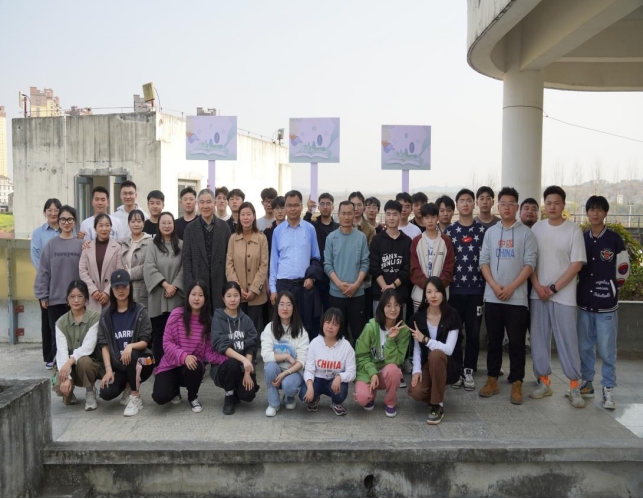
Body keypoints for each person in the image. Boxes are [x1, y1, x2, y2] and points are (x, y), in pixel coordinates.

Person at [529, 185, 587, 408]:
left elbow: (576, 265)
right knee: (539, 338)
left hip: (564, 296)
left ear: (563, 205)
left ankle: (574, 386)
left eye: (556, 203)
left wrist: (553, 288)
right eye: (548, 203)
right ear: (544, 205)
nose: (552, 207)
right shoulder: (537, 228)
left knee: (567, 339)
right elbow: (530, 261)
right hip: (538, 294)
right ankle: (543, 382)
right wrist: (537, 286)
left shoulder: (573, 230)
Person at [479, 187, 537, 405]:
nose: (506, 208)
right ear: (498, 206)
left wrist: (512, 287)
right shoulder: (491, 233)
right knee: (493, 341)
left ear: (516, 207)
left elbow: (530, 264)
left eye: (510, 204)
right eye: (503, 204)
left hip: (517, 298)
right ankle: (492, 379)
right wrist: (494, 286)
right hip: (493, 296)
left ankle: (517, 381)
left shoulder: (526, 234)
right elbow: (483, 261)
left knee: (516, 342)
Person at [577, 195, 629, 410]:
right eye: (592, 209)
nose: (595, 213)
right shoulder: (581, 238)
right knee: (585, 347)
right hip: (584, 303)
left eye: (599, 210)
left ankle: (608, 389)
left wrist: (611, 288)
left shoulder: (614, 239)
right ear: (587, 212)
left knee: (607, 350)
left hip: (606, 305)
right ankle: (587, 383)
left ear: (605, 213)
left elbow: (623, 269)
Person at [152, 281, 227, 413]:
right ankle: (174, 389)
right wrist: (184, 356)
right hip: (170, 364)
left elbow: (209, 352)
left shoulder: (208, 321)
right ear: (188, 296)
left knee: (196, 365)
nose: (196, 298)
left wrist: (230, 359)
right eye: (193, 294)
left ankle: (193, 397)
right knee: (160, 397)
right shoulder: (176, 314)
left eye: (200, 295)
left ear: (205, 299)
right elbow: (167, 343)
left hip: (192, 367)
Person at [443, 189, 486, 391]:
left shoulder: (483, 231)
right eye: (462, 201)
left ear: (474, 204)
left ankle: (469, 369)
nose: (466, 204)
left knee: (473, 333)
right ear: (457, 205)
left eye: (469, 200)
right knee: (454, 332)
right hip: (454, 291)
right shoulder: (450, 232)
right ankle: (455, 370)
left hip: (476, 290)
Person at [98, 270, 154, 417]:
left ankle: (135, 396)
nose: (121, 290)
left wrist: (130, 346)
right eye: (117, 287)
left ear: (130, 286)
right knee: (106, 392)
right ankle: (127, 385)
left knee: (133, 353)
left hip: (143, 362)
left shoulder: (140, 311)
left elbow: (145, 341)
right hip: (120, 366)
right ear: (112, 289)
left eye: (124, 286)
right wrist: (108, 370)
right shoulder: (105, 316)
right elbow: (104, 345)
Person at [408, 277, 463, 425]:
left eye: (437, 291)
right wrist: (416, 371)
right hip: (427, 363)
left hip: (448, 364)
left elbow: (449, 350)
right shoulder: (418, 317)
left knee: (436, 354)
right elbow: (417, 349)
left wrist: (425, 339)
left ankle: (437, 405)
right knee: (416, 392)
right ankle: (435, 392)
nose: (433, 295)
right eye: (429, 292)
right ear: (424, 295)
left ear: (443, 294)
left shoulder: (452, 315)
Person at [34, 204, 83, 369]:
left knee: (77, 337)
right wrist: (43, 295)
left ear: (74, 221)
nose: (66, 222)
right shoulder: (50, 245)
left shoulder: (81, 245)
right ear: (59, 221)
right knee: (58, 338)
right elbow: (43, 271)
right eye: (63, 219)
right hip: (55, 300)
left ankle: (76, 371)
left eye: (69, 219)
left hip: (77, 301)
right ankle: (59, 373)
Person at [269, 190, 322, 334]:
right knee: (284, 327)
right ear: (285, 207)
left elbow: (316, 257)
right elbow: (274, 262)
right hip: (283, 285)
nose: (293, 209)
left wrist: (312, 278)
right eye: (289, 205)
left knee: (305, 327)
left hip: (304, 285)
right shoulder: (277, 231)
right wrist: (273, 289)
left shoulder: (310, 229)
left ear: (301, 206)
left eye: (296, 205)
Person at [354, 289, 410, 417]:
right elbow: (361, 356)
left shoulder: (403, 330)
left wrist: (390, 340)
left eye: (396, 305)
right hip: (368, 371)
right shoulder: (371, 327)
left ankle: (390, 402)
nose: (393, 309)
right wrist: (372, 372)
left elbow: (398, 360)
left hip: (386, 373)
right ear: (382, 307)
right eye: (388, 305)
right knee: (362, 398)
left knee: (394, 370)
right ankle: (370, 394)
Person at [210, 281, 260, 415]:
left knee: (248, 395)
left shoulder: (246, 320)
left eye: (236, 295)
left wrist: (247, 372)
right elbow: (222, 345)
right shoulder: (218, 318)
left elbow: (251, 345)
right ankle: (229, 395)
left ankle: (236, 390)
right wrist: (243, 359)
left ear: (240, 297)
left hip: (243, 367)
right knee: (232, 363)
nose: (232, 299)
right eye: (229, 296)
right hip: (223, 367)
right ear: (223, 298)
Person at [52, 281, 102, 410]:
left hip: (89, 361)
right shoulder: (61, 322)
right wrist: (66, 378)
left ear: (86, 299)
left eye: (80, 296)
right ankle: (69, 392)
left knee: (85, 361)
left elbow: (88, 346)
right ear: (67, 299)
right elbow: (61, 351)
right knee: (59, 385)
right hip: (68, 362)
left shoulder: (94, 318)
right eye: (72, 296)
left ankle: (90, 392)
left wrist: (70, 361)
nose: (76, 300)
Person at [324, 201, 370, 342]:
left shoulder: (360, 237)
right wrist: (339, 284)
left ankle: (358, 357)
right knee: (337, 334)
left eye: (350, 213)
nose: (346, 217)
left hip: (357, 293)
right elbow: (327, 265)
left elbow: (365, 263)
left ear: (354, 214)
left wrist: (356, 285)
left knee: (358, 334)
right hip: (336, 294)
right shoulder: (331, 237)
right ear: (338, 215)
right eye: (343, 213)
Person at [144, 212, 184, 366]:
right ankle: (161, 367)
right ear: (158, 226)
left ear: (174, 224)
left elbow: (185, 268)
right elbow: (149, 267)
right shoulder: (152, 246)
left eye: (169, 222)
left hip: (177, 295)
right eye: (163, 223)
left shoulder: (181, 245)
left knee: (177, 333)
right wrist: (166, 285)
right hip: (158, 295)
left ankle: (177, 365)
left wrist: (175, 286)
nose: (167, 226)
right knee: (159, 333)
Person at [261, 291, 310, 417]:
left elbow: (302, 361)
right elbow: (266, 355)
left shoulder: (301, 331)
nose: (285, 308)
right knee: (270, 367)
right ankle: (273, 404)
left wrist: (285, 373)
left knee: (289, 385)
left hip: (293, 371)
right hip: (276, 368)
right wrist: (287, 356)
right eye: (281, 304)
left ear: (293, 308)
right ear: (277, 307)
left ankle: (289, 397)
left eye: (289, 304)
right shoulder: (270, 328)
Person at [182, 188, 231, 311]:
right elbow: (186, 259)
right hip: (198, 282)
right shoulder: (190, 228)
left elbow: (230, 257)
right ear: (197, 204)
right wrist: (190, 285)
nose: (205, 206)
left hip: (220, 281)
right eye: (202, 202)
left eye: (209, 202)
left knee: (219, 316)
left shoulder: (224, 227)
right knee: (201, 318)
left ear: (214, 203)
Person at [301, 308, 356, 416]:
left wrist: (340, 377)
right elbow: (309, 369)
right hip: (317, 379)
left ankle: (335, 403)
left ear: (340, 327)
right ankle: (315, 399)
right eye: (328, 322)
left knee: (340, 394)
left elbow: (352, 372)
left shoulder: (346, 346)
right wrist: (310, 387)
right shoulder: (315, 343)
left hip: (334, 381)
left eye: (335, 324)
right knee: (304, 394)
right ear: (322, 323)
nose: (330, 327)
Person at [226, 201, 269, 329]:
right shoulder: (233, 239)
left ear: (254, 216)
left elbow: (264, 265)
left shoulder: (262, 238)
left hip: (257, 295)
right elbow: (229, 266)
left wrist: (254, 289)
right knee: (238, 329)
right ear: (239, 217)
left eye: (249, 214)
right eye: (243, 214)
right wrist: (237, 289)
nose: (246, 217)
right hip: (237, 295)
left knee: (254, 329)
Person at [370, 200, 412, 317]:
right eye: (388, 214)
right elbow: (374, 266)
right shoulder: (377, 240)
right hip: (380, 295)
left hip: (400, 296)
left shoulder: (407, 241)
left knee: (399, 327)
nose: (391, 218)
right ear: (385, 216)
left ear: (400, 216)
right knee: (379, 326)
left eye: (395, 214)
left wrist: (393, 285)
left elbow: (407, 268)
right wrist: (385, 288)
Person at [410, 203, 455, 312]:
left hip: (441, 295)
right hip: (420, 296)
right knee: (420, 322)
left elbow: (448, 268)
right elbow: (414, 269)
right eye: (426, 217)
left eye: (433, 217)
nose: (430, 221)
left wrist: (437, 286)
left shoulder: (446, 241)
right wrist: (428, 286)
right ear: (422, 220)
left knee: (440, 322)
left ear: (438, 218)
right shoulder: (416, 241)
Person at [79, 214, 123, 312]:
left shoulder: (117, 248)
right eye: (101, 225)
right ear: (95, 228)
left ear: (111, 227)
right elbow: (82, 271)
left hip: (111, 296)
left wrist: (107, 292)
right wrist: (93, 290)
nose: (104, 229)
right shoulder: (87, 247)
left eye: (107, 225)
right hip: (92, 297)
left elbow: (119, 271)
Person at [304, 193, 340, 314]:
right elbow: (304, 226)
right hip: (317, 275)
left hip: (334, 275)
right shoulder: (313, 226)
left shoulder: (338, 228)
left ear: (333, 207)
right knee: (316, 312)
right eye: (322, 204)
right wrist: (309, 211)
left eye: (328, 204)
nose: (325, 207)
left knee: (332, 310)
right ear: (318, 207)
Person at [119, 209, 152, 309]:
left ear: (143, 223)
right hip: (123, 289)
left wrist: (129, 273)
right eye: (133, 221)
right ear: (128, 224)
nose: (136, 224)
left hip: (142, 292)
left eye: (139, 221)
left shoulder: (151, 243)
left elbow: (149, 266)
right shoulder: (122, 243)